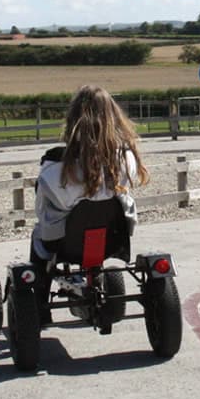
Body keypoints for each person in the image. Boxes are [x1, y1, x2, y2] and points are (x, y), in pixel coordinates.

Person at [29, 85, 149, 268]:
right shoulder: (126, 158)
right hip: (113, 239)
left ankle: (38, 288)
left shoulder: (56, 164)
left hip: (65, 244)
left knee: (39, 232)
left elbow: (42, 205)